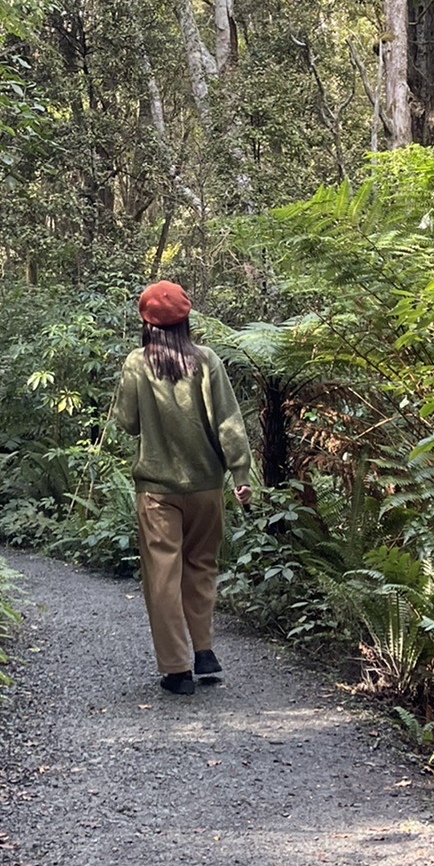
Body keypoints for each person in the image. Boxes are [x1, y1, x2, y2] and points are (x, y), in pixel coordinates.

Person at [109, 281, 253, 696]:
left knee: (163, 577)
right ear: (187, 318)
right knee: (202, 567)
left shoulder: (138, 363)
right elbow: (230, 421)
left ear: (146, 323)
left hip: (157, 490)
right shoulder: (207, 360)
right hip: (207, 486)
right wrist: (240, 475)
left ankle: (176, 670)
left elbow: (127, 422)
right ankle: (204, 651)